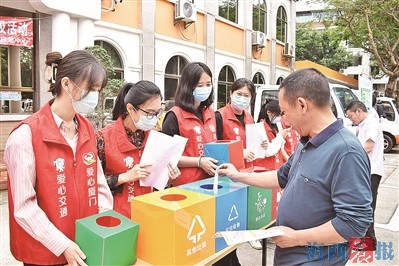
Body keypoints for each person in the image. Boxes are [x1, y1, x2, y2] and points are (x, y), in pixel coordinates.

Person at [217, 68, 373, 265]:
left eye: (284, 112)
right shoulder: (307, 141)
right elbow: (282, 176)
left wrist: (295, 238)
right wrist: (237, 175)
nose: (284, 120)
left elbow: (354, 223)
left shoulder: (346, 152)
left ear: (301, 105)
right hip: (288, 256)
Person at [4, 50, 114, 266]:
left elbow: (99, 183)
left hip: (86, 244)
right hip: (45, 253)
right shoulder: (26, 135)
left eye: (98, 90)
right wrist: (62, 244)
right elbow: (24, 206)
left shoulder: (87, 129)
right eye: (91, 88)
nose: (95, 95)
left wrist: (102, 222)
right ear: (65, 84)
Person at [96, 81, 180, 218]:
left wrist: (170, 178)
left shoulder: (155, 139)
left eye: (158, 113)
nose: (155, 119)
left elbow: (157, 185)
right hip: (116, 218)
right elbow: (90, 183)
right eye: (150, 113)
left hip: (148, 213)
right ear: (130, 109)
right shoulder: (102, 139)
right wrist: (124, 177)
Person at [162, 62, 218, 186]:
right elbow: (167, 157)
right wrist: (199, 162)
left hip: (211, 181)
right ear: (188, 86)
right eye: (200, 85)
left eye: (208, 84)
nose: (205, 89)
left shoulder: (210, 112)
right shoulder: (174, 116)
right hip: (187, 185)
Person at [346, 100, 384, 250]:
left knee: (368, 207)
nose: (351, 119)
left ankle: (369, 242)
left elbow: (368, 146)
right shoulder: (362, 124)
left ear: (358, 111)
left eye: (351, 116)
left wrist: (350, 156)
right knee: (363, 205)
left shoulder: (371, 123)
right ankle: (363, 238)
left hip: (372, 171)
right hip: (365, 171)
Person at [215, 78, 256, 170]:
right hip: (228, 172)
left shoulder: (249, 118)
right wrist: (239, 153)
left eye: (246, 95)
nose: (242, 98)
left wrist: (262, 144)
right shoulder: (219, 116)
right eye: (239, 94)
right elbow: (214, 149)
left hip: (248, 170)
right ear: (231, 93)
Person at [254, 100, 290, 169]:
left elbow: (280, 148)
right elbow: (267, 151)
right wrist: (280, 137)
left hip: (277, 166)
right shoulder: (259, 128)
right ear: (269, 113)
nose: (280, 117)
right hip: (265, 168)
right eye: (278, 115)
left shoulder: (276, 126)